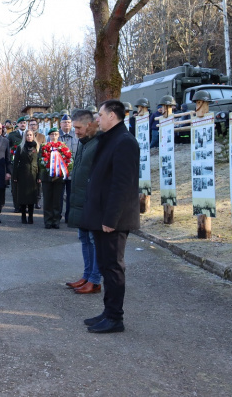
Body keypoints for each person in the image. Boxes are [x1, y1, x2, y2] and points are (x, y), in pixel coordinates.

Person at [81, 99, 140, 334]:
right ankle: (108, 312)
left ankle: (116, 317)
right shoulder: (110, 138)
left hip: (112, 219)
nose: (97, 118)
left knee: (114, 268)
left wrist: (111, 220)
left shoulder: (125, 141)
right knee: (105, 266)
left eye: (100, 114)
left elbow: (122, 185)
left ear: (113, 116)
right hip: (102, 216)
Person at [65, 109, 102, 294]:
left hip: (92, 200)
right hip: (81, 199)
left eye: (78, 128)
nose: (75, 132)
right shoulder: (84, 142)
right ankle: (87, 276)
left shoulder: (99, 143)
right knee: (84, 238)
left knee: (94, 240)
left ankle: (95, 280)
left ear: (89, 124)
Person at [41, 128, 67, 229]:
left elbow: (67, 159)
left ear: (58, 135)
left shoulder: (62, 147)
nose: (54, 136)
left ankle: (56, 220)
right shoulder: (44, 147)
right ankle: (48, 220)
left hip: (58, 177)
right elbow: (41, 161)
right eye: (52, 134)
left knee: (57, 200)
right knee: (47, 200)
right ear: (49, 136)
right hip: (47, 177)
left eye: (56, 134)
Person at [13, 130, 40, 224]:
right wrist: (15, 176)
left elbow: (39, 162)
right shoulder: (20, 147)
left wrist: (39, 175)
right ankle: (23, 216)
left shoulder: (37, 147)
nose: (29, 136)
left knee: (32, 196)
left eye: (30, 135)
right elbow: (15, 163)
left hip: (33, 174)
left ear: (33, 136)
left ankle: (31, 216)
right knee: (23, 197)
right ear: (25, 136)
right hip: (23, 174)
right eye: (27, 135)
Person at [58, 114, 78, 223]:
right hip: (59, 171)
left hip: (72, 171)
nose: (67, 124)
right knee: (58, 195)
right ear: (60, 124)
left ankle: (69, 216)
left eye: (69, 122)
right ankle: (57, 215)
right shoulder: (56, 135)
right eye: (65, 122)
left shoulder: (76, 135)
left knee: (71, 196)